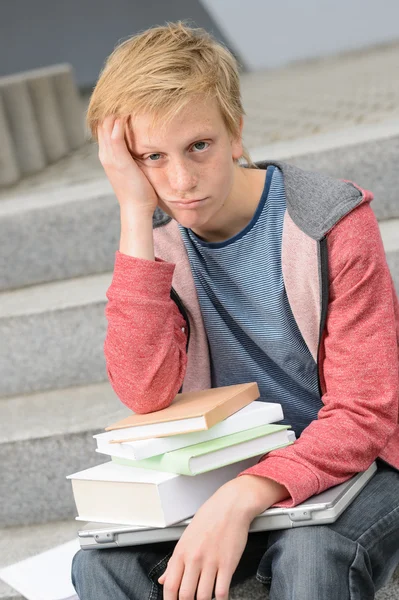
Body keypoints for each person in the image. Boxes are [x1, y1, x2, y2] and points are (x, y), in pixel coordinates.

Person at [72, 21, 399, 600]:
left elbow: (365, 412)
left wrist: (247, 492)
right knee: (101, 565)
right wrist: (132, 210)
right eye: (152, 157)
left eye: (199, 146)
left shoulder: (329, 220)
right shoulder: (156, 244)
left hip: (362, 464)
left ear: (236, 133)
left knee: (311, 551)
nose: (180, 181)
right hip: (224, 474)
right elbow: (145, 391)